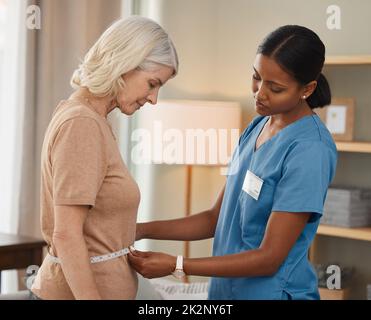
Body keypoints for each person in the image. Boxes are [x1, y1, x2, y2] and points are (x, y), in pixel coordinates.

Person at [128, 25, 338, 300]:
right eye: (256, 77)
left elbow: (269, 258)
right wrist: (141, 230)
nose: (259, 93)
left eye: (275, 88)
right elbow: (214, 219)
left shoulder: (310, 150)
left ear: (307, 89)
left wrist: (178, 265)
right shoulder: (257, 127)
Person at [30, 16, 178, 300]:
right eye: (152, 83)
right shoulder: (81, 124)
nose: (153, 98)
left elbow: (96, 227)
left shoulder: (93, 120)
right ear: (124, 64)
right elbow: (66, 235)